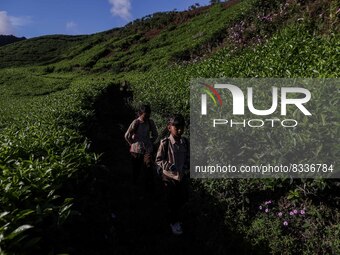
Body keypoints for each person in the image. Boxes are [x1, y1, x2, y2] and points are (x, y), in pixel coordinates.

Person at [156, 114, 190, 235]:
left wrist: (186, 169)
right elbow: (159, 160)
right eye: (177, 128)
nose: (180, 130)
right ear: (169, 127)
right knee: (171, 202)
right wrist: (169, 166)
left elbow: (187, 158)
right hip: (169, 177)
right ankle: (173, 223)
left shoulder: (185, 142)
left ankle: (175, 220)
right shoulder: (165, 143)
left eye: (182, 127)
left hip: (180, 177)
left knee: (180, 200)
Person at [124, 104, 158, 191]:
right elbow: (127, 136)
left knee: (149, 167)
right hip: (136, 150)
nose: (147, 117)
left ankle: (148, 187)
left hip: (147, 149)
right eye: (145, 116)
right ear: (140, 114)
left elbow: (155, 134)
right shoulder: (136, 122)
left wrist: (150, 142)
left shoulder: (150, 122)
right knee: (136, 168)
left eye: (148, 115)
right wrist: (132, 144)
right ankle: (135, 186)